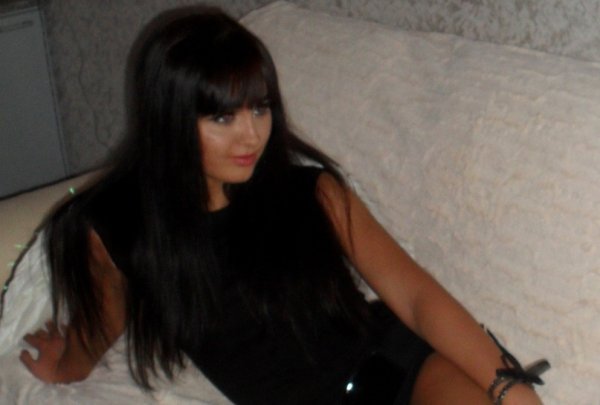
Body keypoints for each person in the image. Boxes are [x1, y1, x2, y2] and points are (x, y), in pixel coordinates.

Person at [18, 6, 547, 404]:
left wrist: (511, 387)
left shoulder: (311, 192)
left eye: (260, 108)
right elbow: (98, 329)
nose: (252, 134)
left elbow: (414, 297)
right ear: (169, 117)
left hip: (400, 367)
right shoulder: (118, 228)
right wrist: (63, 363)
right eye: (222, 117)